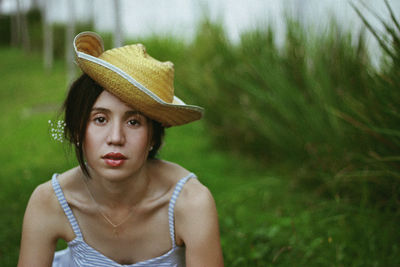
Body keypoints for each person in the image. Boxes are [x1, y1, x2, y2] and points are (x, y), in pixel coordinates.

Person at [18, 31, 224, 267]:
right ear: (77, 130)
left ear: (153, 138)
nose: (116, 138)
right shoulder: (49, 201)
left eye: (133, 122)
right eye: (100, 119)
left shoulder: (191, 203)